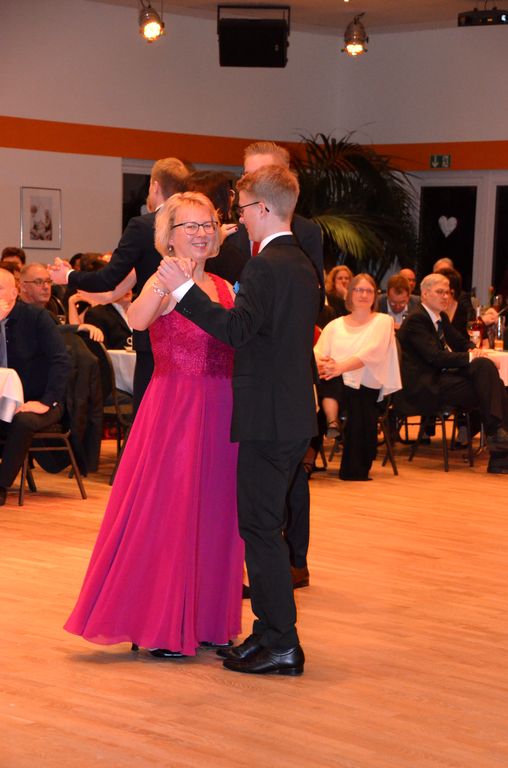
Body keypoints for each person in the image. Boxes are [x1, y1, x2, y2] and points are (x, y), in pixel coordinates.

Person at [64, 191, 244, 657]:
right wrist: (165, 283)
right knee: (172, 513)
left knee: (217, 514)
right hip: (175, 410)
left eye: (208, 225)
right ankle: (163, 624)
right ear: (169, 235)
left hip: (223, 409)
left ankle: (209, 620)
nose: (201, 234)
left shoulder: (223, 286)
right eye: (190, 226)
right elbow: (140, 322)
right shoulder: (160, 279)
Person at [158, 164, 320, 676]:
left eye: (244, 209)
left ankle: (282, 642)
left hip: (268, 418)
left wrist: (184, 294)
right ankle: (267, 633)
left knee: (260, 529)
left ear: (264, 208)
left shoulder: (265, 265)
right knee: (263, 526)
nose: (239, 219)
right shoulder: (302, 263)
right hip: (290, 412)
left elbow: (238, 332)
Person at [49, 157, 189, 413]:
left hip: (153, 326)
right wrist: (109, 295)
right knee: (182, 408)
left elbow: (108, 277)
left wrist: (68, 276)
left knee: (148, 410)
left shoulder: (144, 226)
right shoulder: (196, 229)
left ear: (155, 186)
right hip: (190, 328)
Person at [397, 273, 508, 474]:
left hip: (440, 379)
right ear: (424, 294)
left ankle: (499, 447)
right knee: (491, 385)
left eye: (447, 292)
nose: (445, 297)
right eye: (440, 292)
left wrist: (474, 350)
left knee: (487, 376)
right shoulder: (416, 320)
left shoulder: (441, 317)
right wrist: (471, 356)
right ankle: (498, 446)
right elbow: (435, 357)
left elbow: (460, 342)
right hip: (423, 387)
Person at [314, 273, 401, 481]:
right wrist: (326, 364)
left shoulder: (383, 321)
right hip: (335, 384)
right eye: (358, 290)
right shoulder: (335, 325)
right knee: (315, 394)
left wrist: (339, 367)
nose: (363, 295)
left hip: (366, 385)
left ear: (375, 296)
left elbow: (372, 352)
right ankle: (308, 459)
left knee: (340, 387)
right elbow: (317, 352)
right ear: (350, 294)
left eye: (369, 291)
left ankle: (349, 461)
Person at [0, 268, 70, 505]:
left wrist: (46, 401)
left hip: (40, 399)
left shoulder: (36, 317)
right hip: (4, 400)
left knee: (23, 421)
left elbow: (61, 360)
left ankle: (1, 485)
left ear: (14, 292)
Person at [19, 263, 103, 342]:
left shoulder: (49, 312)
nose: (46, 287)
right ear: (23, 287)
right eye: (38, 282)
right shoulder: (18, 313)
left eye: (48, 281)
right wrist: (78, 327)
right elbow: (42, 331)